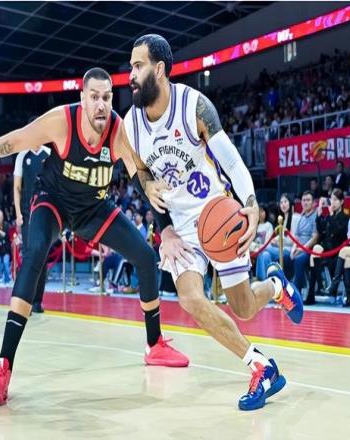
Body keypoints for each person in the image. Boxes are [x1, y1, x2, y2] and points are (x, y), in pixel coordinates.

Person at [0, 67, 189, 405]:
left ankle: (155, 345)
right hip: (54, 201)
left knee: (147, 258)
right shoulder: (61, 121)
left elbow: (142, 179)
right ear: (82, 98)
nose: (101, 105)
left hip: (93, 208)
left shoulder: (118, 131)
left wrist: (165, 228)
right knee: (34, 255)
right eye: (94, 97)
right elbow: (15, 140)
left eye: (107, 97)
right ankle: (2, 367)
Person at [123, 34, 303, 411]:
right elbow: (141, 173)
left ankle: (275, 286)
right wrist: (162, 222)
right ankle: (261, 367)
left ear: (159, 69)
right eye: (130, 67)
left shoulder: (194, 106)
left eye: (138, 66)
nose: (131, 75)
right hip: (181, 229)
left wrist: (250, 203)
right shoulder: (131, 124)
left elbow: (232, 161)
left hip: (216, 214)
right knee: (190, 297)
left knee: (244, 306)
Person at [13, 137, 51, 313]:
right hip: (28, 213)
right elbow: (17, 187)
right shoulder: (22, 155)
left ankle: (37, 301)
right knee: (29, 257)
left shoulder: (49, 154)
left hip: (45, 212)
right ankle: (23, 301)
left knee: (42, 256)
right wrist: (18, 214)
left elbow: (56, 184)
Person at [306, 189, 349, 304]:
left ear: (342, 201)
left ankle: (316, 292)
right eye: (331, 200)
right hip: (327, 249)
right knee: (315, 252)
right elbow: (321, 230)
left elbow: (338, 232)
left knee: (326, 259)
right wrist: (319, 214)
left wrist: (331, 215)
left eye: (335, 200)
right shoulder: (329, 216)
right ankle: (320, 286)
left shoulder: (345, 217)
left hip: (338, 250)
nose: (332, 203)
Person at [255, 194, 300, 281]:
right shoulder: (284, 219)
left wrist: (278, 241)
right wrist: (276, 240)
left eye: (285, 202)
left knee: (263, 248)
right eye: (281, 202)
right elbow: (283, 236)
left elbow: (292, 240)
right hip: (280, 249)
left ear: (290, 203)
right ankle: (266, 281)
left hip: (288, 250)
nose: (283, 204)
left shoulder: (294, 218)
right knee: (265, 254)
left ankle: (262, 281)